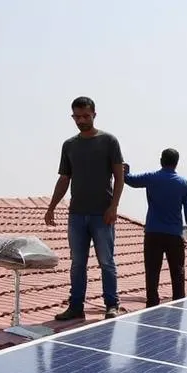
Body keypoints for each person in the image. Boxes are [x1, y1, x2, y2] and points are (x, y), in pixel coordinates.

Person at [44, 95, 125, 320]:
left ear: (94, 115)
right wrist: (51, 207)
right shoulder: (69, 145)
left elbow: (119, 177)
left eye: (85, 116)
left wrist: (114, 206)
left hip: (102, 214)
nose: (81, 120)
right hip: (77, 215)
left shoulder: (109, 141)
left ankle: (112, 304)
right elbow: (64, 179)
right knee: (77, 263)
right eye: (77, 117)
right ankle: (76, 306)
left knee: (106, 262)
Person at [124, 148, 187, 307]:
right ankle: (178, 303)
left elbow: (130, 180)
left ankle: (152, 304)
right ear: (176, 163)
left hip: (153, 233)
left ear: (161, 160)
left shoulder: (152, 178)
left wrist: (125, 170)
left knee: (152, 273)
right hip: (174, 235)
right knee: (177, 273)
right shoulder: (183, 183)